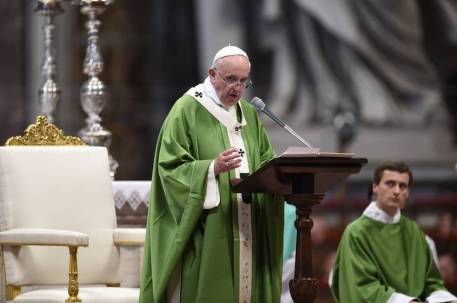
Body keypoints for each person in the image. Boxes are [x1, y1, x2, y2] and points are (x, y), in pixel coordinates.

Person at [139, 45, 284, 303]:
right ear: (212, 74)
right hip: (209, 228)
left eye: (243, 81)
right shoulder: (186, 109)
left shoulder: (248, 114)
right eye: (230, 79)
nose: (237, 88)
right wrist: (210, 169)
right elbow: (169, 170)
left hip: (247, 222)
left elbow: (265, 160)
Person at [330, 161, 457, 303]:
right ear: (375, 187)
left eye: (403, 186)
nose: (397, 191)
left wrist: (446, 300)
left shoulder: (414, 231)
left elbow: (431, 282)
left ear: (408, 192)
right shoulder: (356, 233)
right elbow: (361, 287)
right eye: (390, 184)